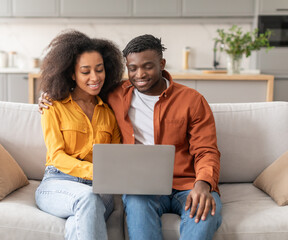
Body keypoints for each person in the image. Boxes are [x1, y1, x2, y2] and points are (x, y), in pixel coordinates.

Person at [39, 34, 222, 240]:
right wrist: (48, 94)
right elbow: (81, 92)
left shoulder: (192, 100)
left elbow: (206, 150)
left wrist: (203, 184)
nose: (139, 74)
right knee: (132, 202)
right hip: (141, 186)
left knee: (205, 213)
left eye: (148, 66)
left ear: (162, 64)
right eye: (132, 68)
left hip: (187, 183)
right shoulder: (116, 95)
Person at [35, 30, 124, 240]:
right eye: (85, 71)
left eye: (99, 70)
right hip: (57, 182)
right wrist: (95, 171)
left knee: (83, 210)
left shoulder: (109, 114)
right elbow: (56, 156)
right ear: (72, 73)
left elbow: (117, 157)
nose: (95, 77)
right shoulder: (53, 106)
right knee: (86, 199)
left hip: (99, 188)